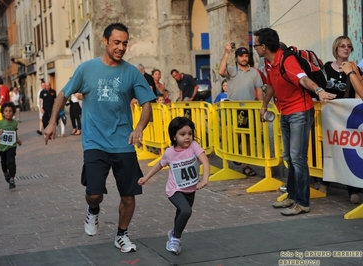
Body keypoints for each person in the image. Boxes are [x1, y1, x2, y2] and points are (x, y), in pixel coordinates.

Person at [44, 23, 156, 253]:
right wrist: (52, 121)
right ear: (104, 41)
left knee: (129, 195)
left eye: (125, 43)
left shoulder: (132, 72)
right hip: (95, 142)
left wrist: (140, 128)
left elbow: (147, 104)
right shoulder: (87, 69)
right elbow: (63, 94)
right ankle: (93, 211)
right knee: (94, 193)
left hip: (123, 143)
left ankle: (121, 235)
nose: (121, 47)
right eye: (116, 42)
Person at [253, 28, 336, 216]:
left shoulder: (286, 60)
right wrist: (264, 106)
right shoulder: (268, 63)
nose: (254, 48)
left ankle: (302, 202)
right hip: (285, 112)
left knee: (298, 158)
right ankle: (291, 195)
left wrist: (319, 91)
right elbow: (272, 86)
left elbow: (303, 79)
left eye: (256, 45)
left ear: (264, 46)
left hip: (299, 111)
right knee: (289, 157)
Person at [138, 117, 209, 255]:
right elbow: (160, 164)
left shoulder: (194, 146)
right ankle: (176, 238)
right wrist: (146, 177)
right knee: (186, 211)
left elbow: (205, 160)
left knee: (181, 213)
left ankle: (174, 233)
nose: (187, 137)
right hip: (174, 190)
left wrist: (204, 179)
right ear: (174, 136)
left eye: (190, 133)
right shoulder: (170, 152)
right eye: (182, 134)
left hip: (190, 189)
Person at [318, 36, 362, 204]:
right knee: (328, 149)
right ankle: (325, 182)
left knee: (348, 150)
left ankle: (353, 190)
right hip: (330, 118)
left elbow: (359, 91)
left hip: (347, 117)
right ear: (336, 48)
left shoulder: (355, 68)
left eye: (349, 46)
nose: (346, 49)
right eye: (342, 46)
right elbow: (319, 86)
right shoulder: (327, 68)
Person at [218, 45, 264, 176]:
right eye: (241, 56)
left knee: (249, 137)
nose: (244, 58)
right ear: (236, 57)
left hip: (250, 110)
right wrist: (226, 52)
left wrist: (262, 107)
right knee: (236, 135)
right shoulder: (232, 70)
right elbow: (221, 71)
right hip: (234, 110)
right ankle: (235, 153)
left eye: (246, 56)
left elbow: (259, 90)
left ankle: (246, 165)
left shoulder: (254, 72)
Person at [0, 102, 22, 189]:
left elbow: (14, 132)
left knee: (11, 161)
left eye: (10, 111)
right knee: (4, 162)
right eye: (6, 111)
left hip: (11, 146)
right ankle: (5, 173)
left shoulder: (14, 123)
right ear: (3, 113)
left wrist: (17, 140)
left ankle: (12, 178)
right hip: (2, 147)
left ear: (13, 112)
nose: (8, 113)